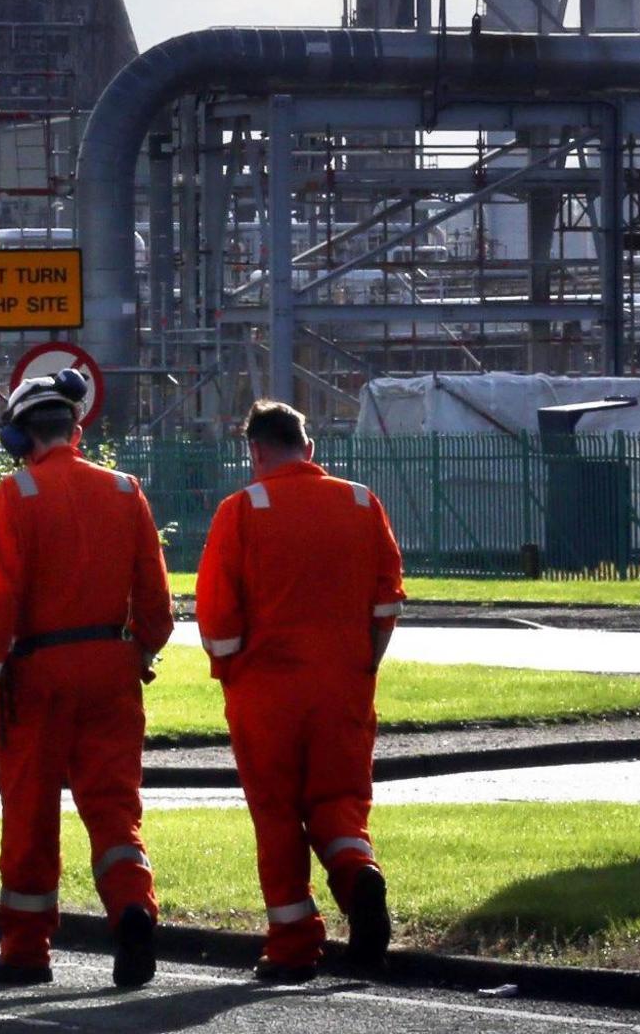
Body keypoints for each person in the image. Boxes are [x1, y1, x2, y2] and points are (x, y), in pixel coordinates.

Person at [0, 369, 172, 989]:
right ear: (76, 429)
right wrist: (139, 653)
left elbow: (1, 599)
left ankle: (26, 953)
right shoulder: (124, 489)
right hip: (111, 670)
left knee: (30, 813)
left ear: (20, 436)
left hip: (38, 674)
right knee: (113, 808)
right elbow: (156, 603)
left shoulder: (18, 493)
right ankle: (133, 905)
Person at [195, 400, 407, 983]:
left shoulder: (242, 510)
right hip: (344, 687)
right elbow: (387, 601)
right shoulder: (362, 502)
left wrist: (231, 673)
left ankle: (292, 946)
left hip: (267, 692)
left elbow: (216, 619)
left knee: (278, 813)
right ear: (308, 448)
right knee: (340, 802)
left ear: (255, 452)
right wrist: (364, 664)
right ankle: (357, 871)